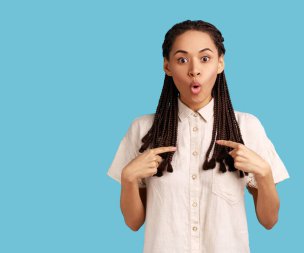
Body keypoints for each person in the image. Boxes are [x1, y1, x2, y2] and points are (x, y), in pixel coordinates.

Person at [107, 20, 290, 253]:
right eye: (182, 59)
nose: (194, 69)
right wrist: (128, 179)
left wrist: (264, 174)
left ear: (220, 63)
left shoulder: (246, 127)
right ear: (167, 66)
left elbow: (269, 220)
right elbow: (133, 223)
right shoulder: (144, 130)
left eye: (205, 58)